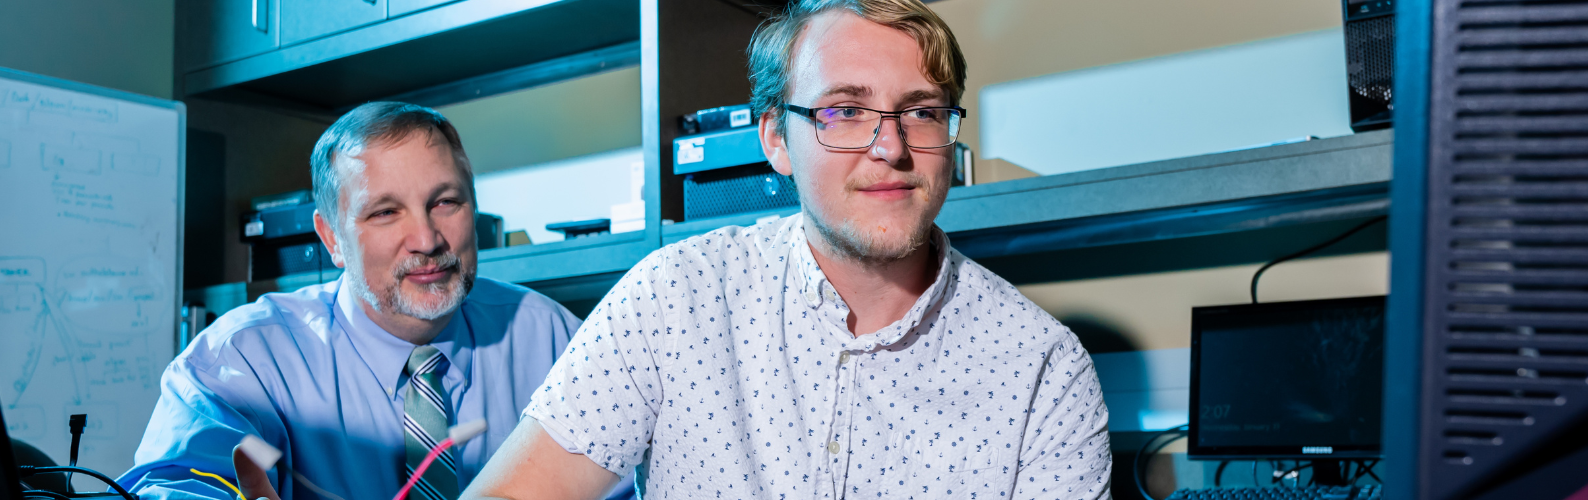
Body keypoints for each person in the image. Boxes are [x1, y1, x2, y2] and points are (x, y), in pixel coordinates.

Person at [461, 0, 1112, 498]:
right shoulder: (674, 298)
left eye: (920, 111)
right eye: (844, 112)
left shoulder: (1043, 371)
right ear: (775, 139)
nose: (891, 149)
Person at [118, 103, 602, 500]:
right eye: (386, 212)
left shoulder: (556, 342)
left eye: (445, 202)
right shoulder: (245, 360)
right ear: (330, 237)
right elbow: (179, 483)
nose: (427, 239)